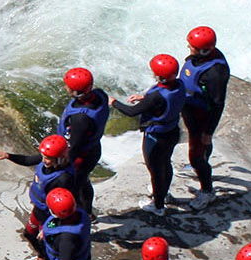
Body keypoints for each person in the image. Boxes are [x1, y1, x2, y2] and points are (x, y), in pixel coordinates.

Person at [112, 54, 189, 214]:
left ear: (160, 76)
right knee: (166, 163)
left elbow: (131, 111)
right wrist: (144, 98)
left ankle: (158, 205)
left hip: (156, 138)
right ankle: (164, 193)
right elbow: (161, 101)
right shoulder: (179, 84)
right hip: (172, 132)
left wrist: (113, 102)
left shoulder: (155, 97)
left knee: (155, 171)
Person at [0, 135, 77, 260]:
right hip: (40, 209)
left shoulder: (64, 179)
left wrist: (48, 227)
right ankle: (42, 259)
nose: (44, 160)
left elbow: (62, 207)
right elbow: (28, 160)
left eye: (48, 158)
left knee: (49, 243)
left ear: (59, 158)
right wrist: (8, 155)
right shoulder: (48, 159)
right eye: (44, 156)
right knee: (29, 234)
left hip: (50, 216)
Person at [180, 26, 230, 205]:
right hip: (191, 110)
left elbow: (218, 104)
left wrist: (208, 132)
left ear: (203, 50)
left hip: (202, 116)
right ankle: (200, 165)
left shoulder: (215, 73)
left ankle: (207, 190)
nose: (188, 48)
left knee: (196, 154)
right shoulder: (202, 57)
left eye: (191, 46)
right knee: (199, 150)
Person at [59, 67, 111, 214]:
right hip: (93, 148)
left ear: (76, 92)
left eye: (68, 86)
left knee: (74, 189)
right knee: (84, 182)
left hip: (80, 157)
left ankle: (80, 217)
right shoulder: (100, 95)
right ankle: (88, 212)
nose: (65, 87)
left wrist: (63, 161)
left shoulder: (80, 118)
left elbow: (74, 146)